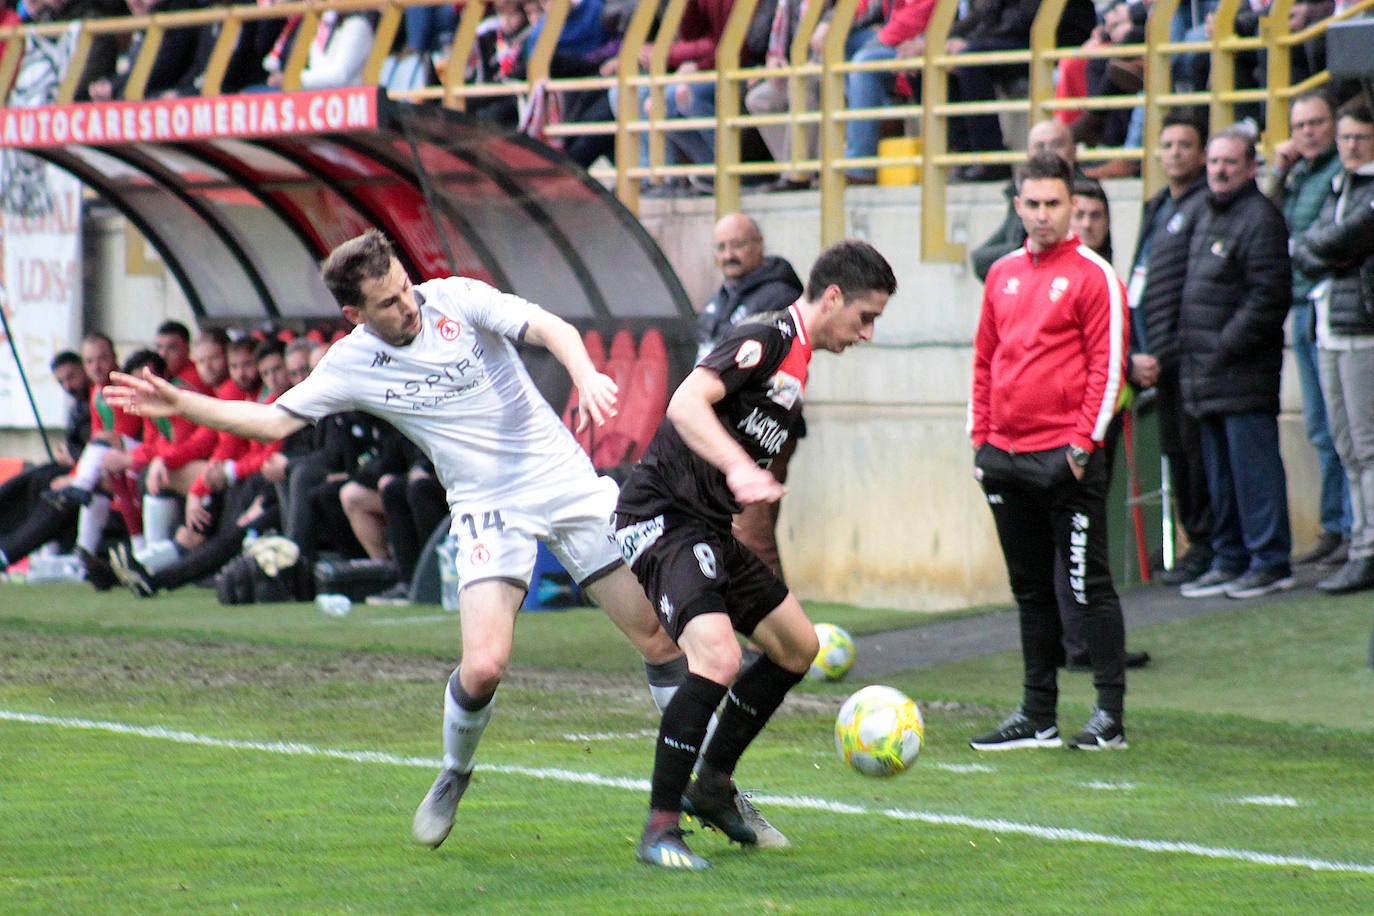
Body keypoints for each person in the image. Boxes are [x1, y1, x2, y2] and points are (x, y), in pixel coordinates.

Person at [103, 228, 784, 851]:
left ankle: (708, 785)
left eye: (404, 286)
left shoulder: (454, 297)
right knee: (485, 665)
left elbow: (546, 325)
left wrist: (583, 373)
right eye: (389, 302)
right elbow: (273, 422)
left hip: (570, 488)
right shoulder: (352, 363)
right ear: (355, 315)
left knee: (661, 641)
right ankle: (456, 772)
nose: (408, 306)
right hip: (488, 510)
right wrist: (184, 402)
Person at [614, 238, 896, 869]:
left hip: (706, 526)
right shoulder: (765, 337)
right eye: (865, 316)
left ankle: (712, 787)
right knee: (716, 656)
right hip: (659, 516)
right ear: (831, 298)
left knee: (799, 646)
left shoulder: (798, 357)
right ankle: (660, 828)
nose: (868, 332)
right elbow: (687, 402)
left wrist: (740, 481)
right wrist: (741, 469)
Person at [968, 152, 1129, 753]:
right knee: (1031, 590)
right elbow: (985, 360)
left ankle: (1109, 715)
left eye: (1053, 204)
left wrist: (1082, 447)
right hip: (1005, 457)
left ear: (1072, 208)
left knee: (1088, 587)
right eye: (1032, 204)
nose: (1043, 215)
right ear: (1017, 206)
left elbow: (1107, 369)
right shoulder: (1002, 274)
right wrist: (981, 440)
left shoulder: (1094, 276)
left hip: (1066, 460)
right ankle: (1039, 715)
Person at [1176, 125, 1295, 600]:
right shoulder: (1206, 213)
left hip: (1242, 371)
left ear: (1250, 168)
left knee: (1253, 471)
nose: (1220, 170)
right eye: (1214, 162)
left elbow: (1269, 296)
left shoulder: (1261, 218)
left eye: (1230, 162)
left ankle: (1269, 561)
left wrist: (1224, 345)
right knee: (1220, 477)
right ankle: (1231, 558)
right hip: (1205, 374)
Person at [1265, 89, 1351, 568]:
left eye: (1317, 123)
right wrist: (1277, 171)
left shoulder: (1344, 171)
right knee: (1320, 427)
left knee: (1343, 426)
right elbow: (1265, 222)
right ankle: (1335, 524)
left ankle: (1353, 528)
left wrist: (1299, 250)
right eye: (1300, 127)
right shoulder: (1298, 174)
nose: (1309, 133)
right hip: (1299, 307)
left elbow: (1319, 244)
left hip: (1330, 302)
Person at [1292, 98, 1374, 594]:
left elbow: (1341, 240)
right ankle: (1360, 543)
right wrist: (1327, 253)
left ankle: (1367, 549)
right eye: (1345, 138)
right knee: (1344, 444)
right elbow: (1307, 243)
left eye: (1360, 137)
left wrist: (1325, 251)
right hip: (1328, 325)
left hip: (1362, 328)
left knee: (1366, 444)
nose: (1350, 146)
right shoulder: (1338, 185)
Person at [1129, 111, 1214, 587]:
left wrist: (1170, 348)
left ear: (1200, 154)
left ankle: (1205, 543)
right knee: (1175, 454)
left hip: (1184, 355)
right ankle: (1193, 543)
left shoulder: (1205, 206)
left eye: (1185, 145)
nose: (1176, 153)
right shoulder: (1157, 204)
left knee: (1196, 455)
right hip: (1152, 354)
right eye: (1168, 145)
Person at [696, 214, 804, 579]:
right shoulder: (719, 299)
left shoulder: (779, 296)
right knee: (726, 538)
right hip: (721, 431)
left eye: (738, 245)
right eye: (721, 247)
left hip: (761, 429)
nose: (729, 255)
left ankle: (776, 637)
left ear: (759, 243)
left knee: (754, 538)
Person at [971, 119, 1086, 281]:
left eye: (1056, 145)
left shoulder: (1087, 192)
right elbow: (980, 259)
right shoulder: (1021, 192)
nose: (1048, 152)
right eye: (1040, 146)